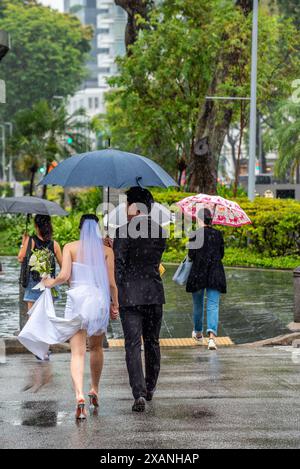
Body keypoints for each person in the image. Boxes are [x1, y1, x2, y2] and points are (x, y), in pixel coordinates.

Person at [18, 214, 119, 420]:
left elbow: (64, 277)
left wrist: (49, 282)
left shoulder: (70, 247)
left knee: (78, 353)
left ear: (80, 229)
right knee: (97, 348)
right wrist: (115, 304)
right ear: (97, 229)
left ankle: (79, 396)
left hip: (77, 301)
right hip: (98, 301)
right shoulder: (107, 251)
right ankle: (94, 389)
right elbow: (111, 284)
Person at [113, 187, 166, 413]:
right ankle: (150, 387)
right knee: (152, 342)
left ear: (134, 207)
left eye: (127, 204)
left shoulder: (122, 232)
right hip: (154, 294)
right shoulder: (161, 232)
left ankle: (139, 394)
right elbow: (154, 261)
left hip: (130, 297)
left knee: (133, 345)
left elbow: (119, 267)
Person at [186, 208, 227, 351]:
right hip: (215, 273)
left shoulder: (194, 235)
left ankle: (198, 333)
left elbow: (191, 255)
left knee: (198, 305)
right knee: (213, 305)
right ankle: (211, 339)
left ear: (199, 219)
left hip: (198, 273)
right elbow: (221, 254)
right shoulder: (218, 234)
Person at [18, 215, 63, 311]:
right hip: (50, 282)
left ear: (36, 226)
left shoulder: (31, 241)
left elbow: (21, 258)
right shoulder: (55, 244)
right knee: (49, 314)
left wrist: (23, 242)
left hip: (34, 282)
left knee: (33, 317)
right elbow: (63, 266)